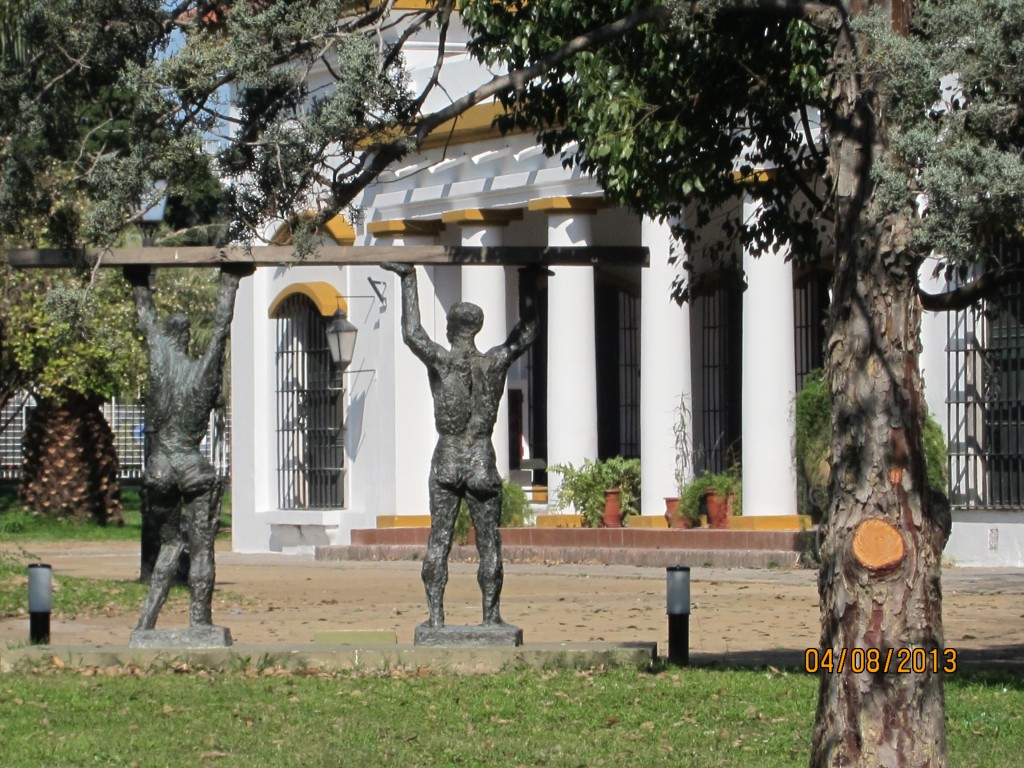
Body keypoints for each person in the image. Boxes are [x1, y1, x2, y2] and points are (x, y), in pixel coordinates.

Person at [381, 262, 543, 629]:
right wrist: (528, 278)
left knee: (439, 541)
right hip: (480, 459)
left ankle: (436, 618)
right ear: (478, 329)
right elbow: (528, 332)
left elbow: (412, 333)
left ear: (452, 330)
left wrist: (408, 278)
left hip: (449, 458)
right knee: (489, 544)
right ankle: (490, 617)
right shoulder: (494, 362)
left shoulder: (442, 361)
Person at [124, 263, 252, 631]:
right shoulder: (202, 372)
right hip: (192, 465)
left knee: (168, 544)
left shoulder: (158, 360)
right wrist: (230, 280)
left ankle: (146, 624)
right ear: (186, 340)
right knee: (201, 548)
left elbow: (146, 318)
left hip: (161, 464)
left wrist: (138, 282)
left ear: (168, 339)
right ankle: (200, 624)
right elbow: (219, 328)